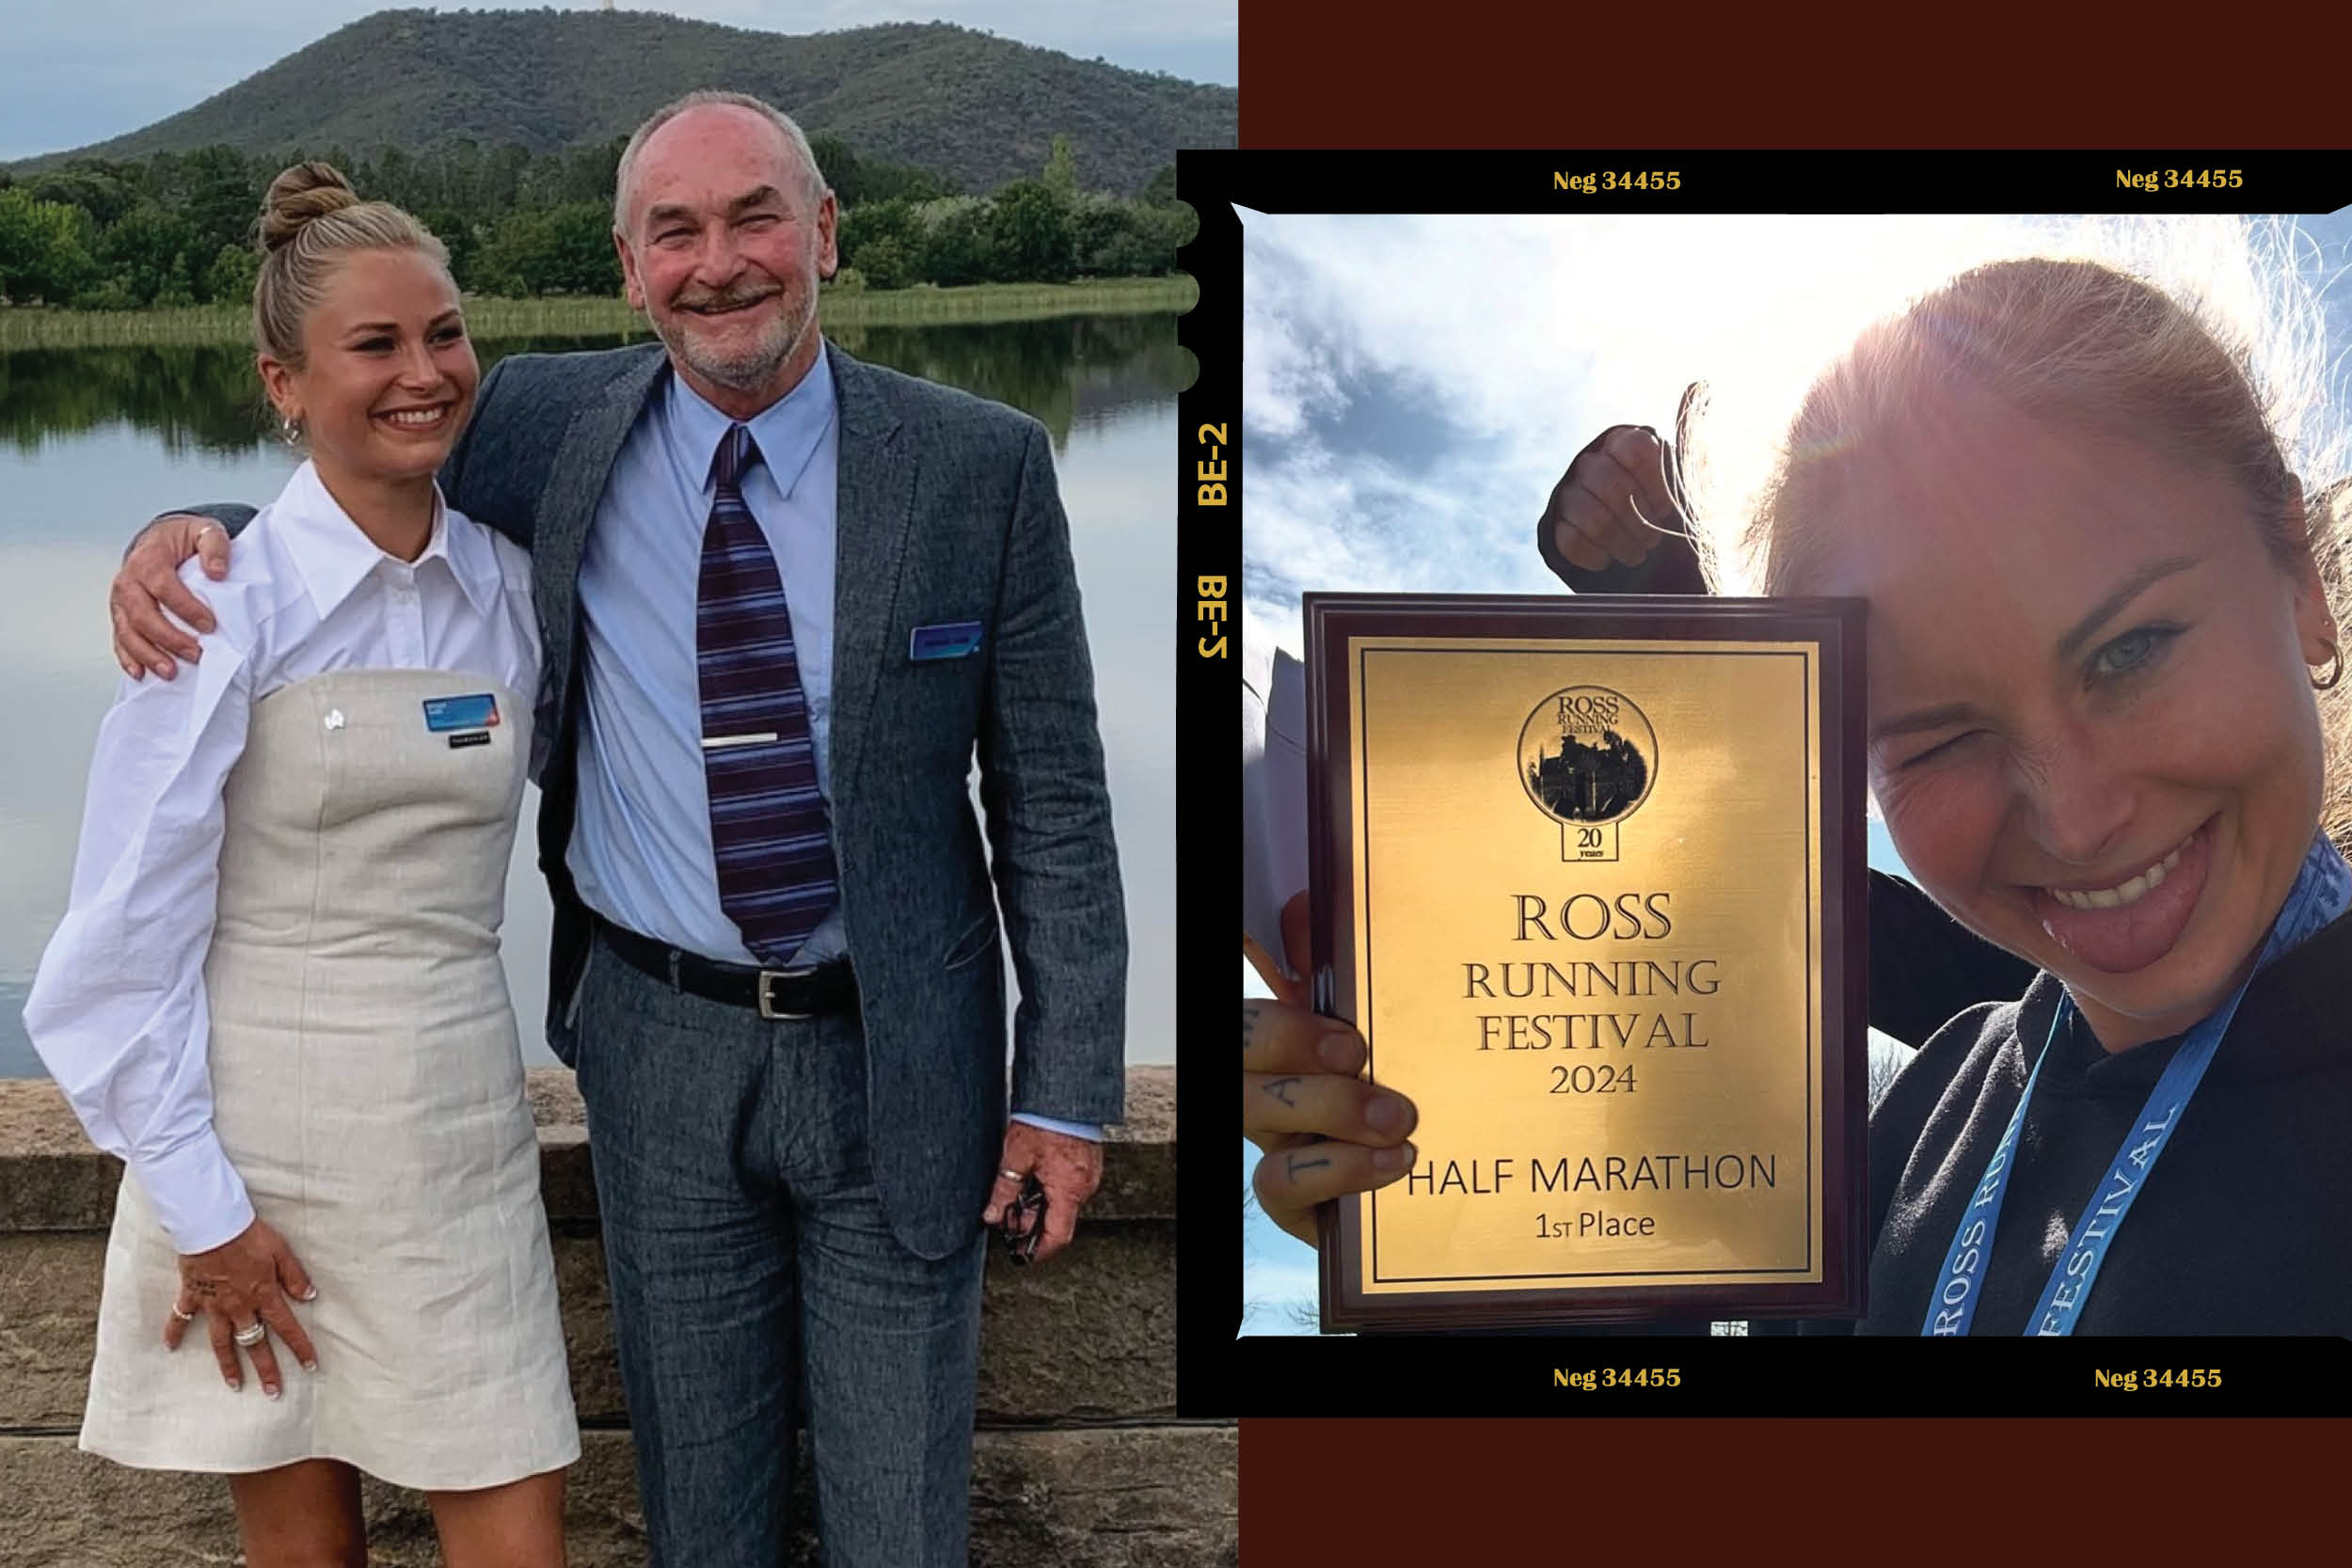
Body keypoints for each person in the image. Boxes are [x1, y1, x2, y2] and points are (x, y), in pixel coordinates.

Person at [106, 91, 1125, 1565]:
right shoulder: (532, 422)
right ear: (629, 267)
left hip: (904, 1055)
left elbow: (1060, 804)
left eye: (756, 216)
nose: (721, 263)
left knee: (903, 1527)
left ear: (826, 233)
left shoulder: (981, 465)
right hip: (658, 1052)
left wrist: (1069, 1089)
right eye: (677, 231)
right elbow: (353, 472)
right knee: (698, 1524)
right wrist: (179, 536)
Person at [1248, 249, 2352, 1333]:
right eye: (1934, 741)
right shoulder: (1905, 1136)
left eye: (2130, 650)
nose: (2074, 816)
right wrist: (1473, 1276)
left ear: (2302, 577)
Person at [25, 164, 575, 1565]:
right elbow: (109, 961)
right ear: (283, 382)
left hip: (456, 1136)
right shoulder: (216, 604)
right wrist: (208, 1214)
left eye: (444, 333)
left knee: (517, 1532)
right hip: (251, 1151)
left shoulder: (512, 588)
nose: (424, 372)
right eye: (376, 345)